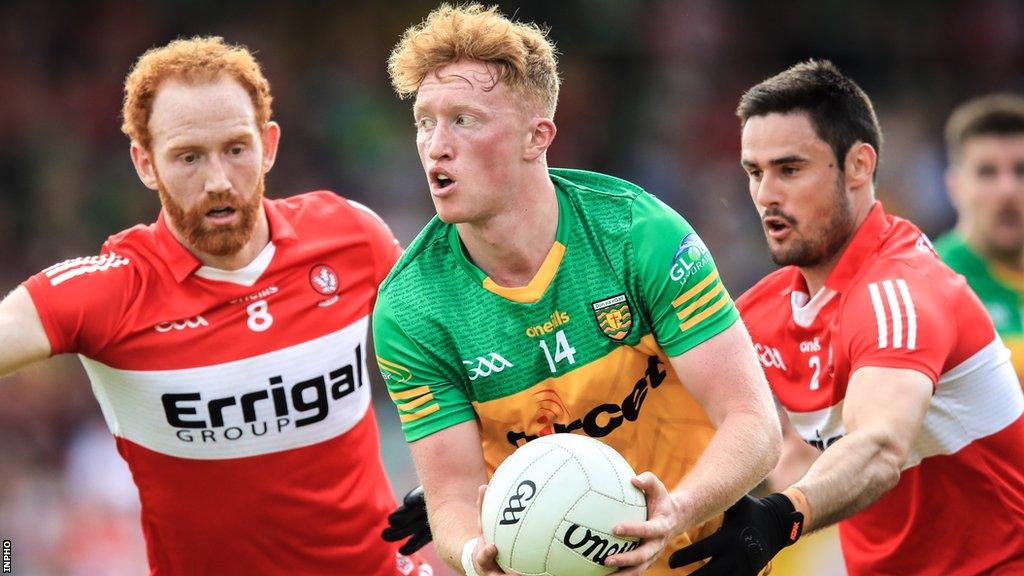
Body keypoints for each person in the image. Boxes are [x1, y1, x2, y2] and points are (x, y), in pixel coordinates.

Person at [372, 5, 782, 576]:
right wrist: (473, 554)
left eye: (464, 119)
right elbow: (451, 497)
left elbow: (755, 425)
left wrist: (673, 515)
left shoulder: (637, 235)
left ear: (536, 137)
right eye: (424, 121)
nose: (436, 145)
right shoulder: (410, 308)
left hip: (696, 556)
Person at [0, 36, 430, 576]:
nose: (218, 181)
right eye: (188, 157)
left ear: (268, 145)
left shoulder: (351, 236)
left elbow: (458, 342)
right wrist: (6, 556)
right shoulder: (110, 291)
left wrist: (458, 484)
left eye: (235, 148)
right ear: (145, 164)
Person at [671, 60, 1024, 575]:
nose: (767, 193)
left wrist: (780, 518)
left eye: (790, 169)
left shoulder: (902, 291)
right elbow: (793, 453)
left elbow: (878, 447)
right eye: (754, 172)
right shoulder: (765, 311)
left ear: (859, 165)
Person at [934, 94, 1024, 384]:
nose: (1007, 189)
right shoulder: (934, 283)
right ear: (955, 186)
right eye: (987, 172)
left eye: (1021, 171)